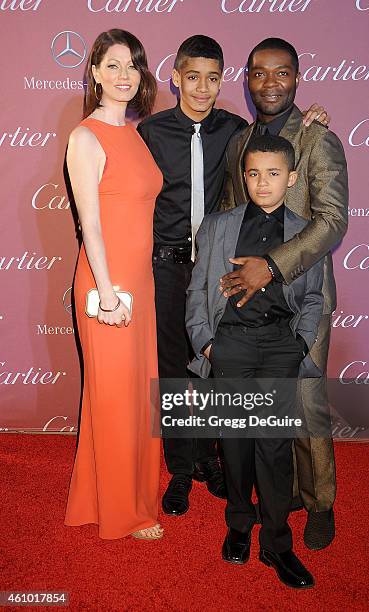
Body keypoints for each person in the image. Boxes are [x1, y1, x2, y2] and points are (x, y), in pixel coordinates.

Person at [137, 34, 329, 517]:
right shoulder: (151, 132)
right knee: (177, 370)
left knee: (219, 364)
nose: (202, 88)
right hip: (166, 264)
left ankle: (216, 460)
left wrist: (313, 119)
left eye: (212, 78)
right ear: (176, 77)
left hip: (224, 266)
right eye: (193, 77)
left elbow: (279, 152)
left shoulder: (237, 131)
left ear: (225, 81)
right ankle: (182, 469)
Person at [220, 38, 348, 550]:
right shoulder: (239, 143)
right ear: (247, 81)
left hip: (302, 295)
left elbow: (333, 221)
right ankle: (285, 491)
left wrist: (271, 267)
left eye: (281, 73)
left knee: (307, 402)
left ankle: (319, 503)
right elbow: (232, 215)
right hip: (250, 299)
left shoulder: (319, 139)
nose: (269, 83)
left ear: (296, 78)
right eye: (258, 73)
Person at [186, 135, 324, 589]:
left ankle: (277, 543)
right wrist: (207, 344)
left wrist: (301, 345)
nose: (262, 183)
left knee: (274, 445)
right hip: (231, 345)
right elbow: (198, 291)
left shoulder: (306, 232)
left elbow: (314, 298)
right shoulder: (217, 225)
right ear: (242, 176)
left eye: (272, 173)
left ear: (291, 177)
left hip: (280, 347)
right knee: (237, 442)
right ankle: (239, 526)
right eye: (252, 173)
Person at [64, 29, 164, 541]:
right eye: (114, 65)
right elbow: (91, 224)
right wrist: (105, 291)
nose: (125, 76)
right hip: (108, 285)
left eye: (134, 66)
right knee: (115, 397)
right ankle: (124, 512)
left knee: (134, 394)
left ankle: (121, 492)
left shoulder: (134, 132)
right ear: (96, 72)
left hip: (139, 285)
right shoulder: (85, 137)